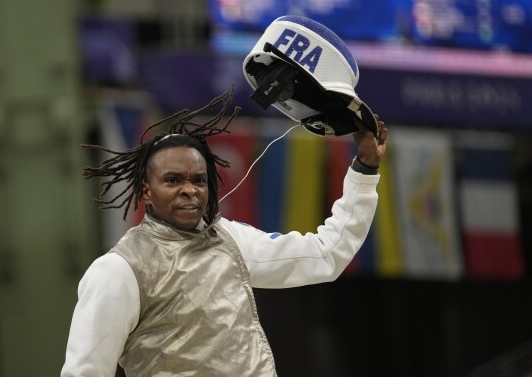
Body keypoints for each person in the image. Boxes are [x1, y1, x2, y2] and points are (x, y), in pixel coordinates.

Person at [61, 85, 388, 377]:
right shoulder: (119, 269)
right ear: (146, 190)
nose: (189, 190)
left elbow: (326, 254)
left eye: (198, 180)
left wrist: (365, 168)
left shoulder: (231, 240)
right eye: (173, 180)